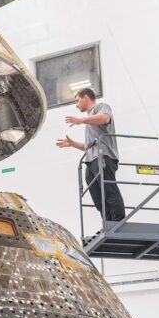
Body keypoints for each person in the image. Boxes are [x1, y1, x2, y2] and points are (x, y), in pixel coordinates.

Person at [55, 88, 125, 222]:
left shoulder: (101, 107)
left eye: (77, 101)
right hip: (91, 160)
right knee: (97, 195)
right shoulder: (89, 121)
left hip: (103, 157)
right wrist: (72, 144)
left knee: (109, 190)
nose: (76, 105)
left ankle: (118, 221)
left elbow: (105, 118)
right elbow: (88, 146)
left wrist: (81, 120)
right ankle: (108, 222)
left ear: (85, 98)